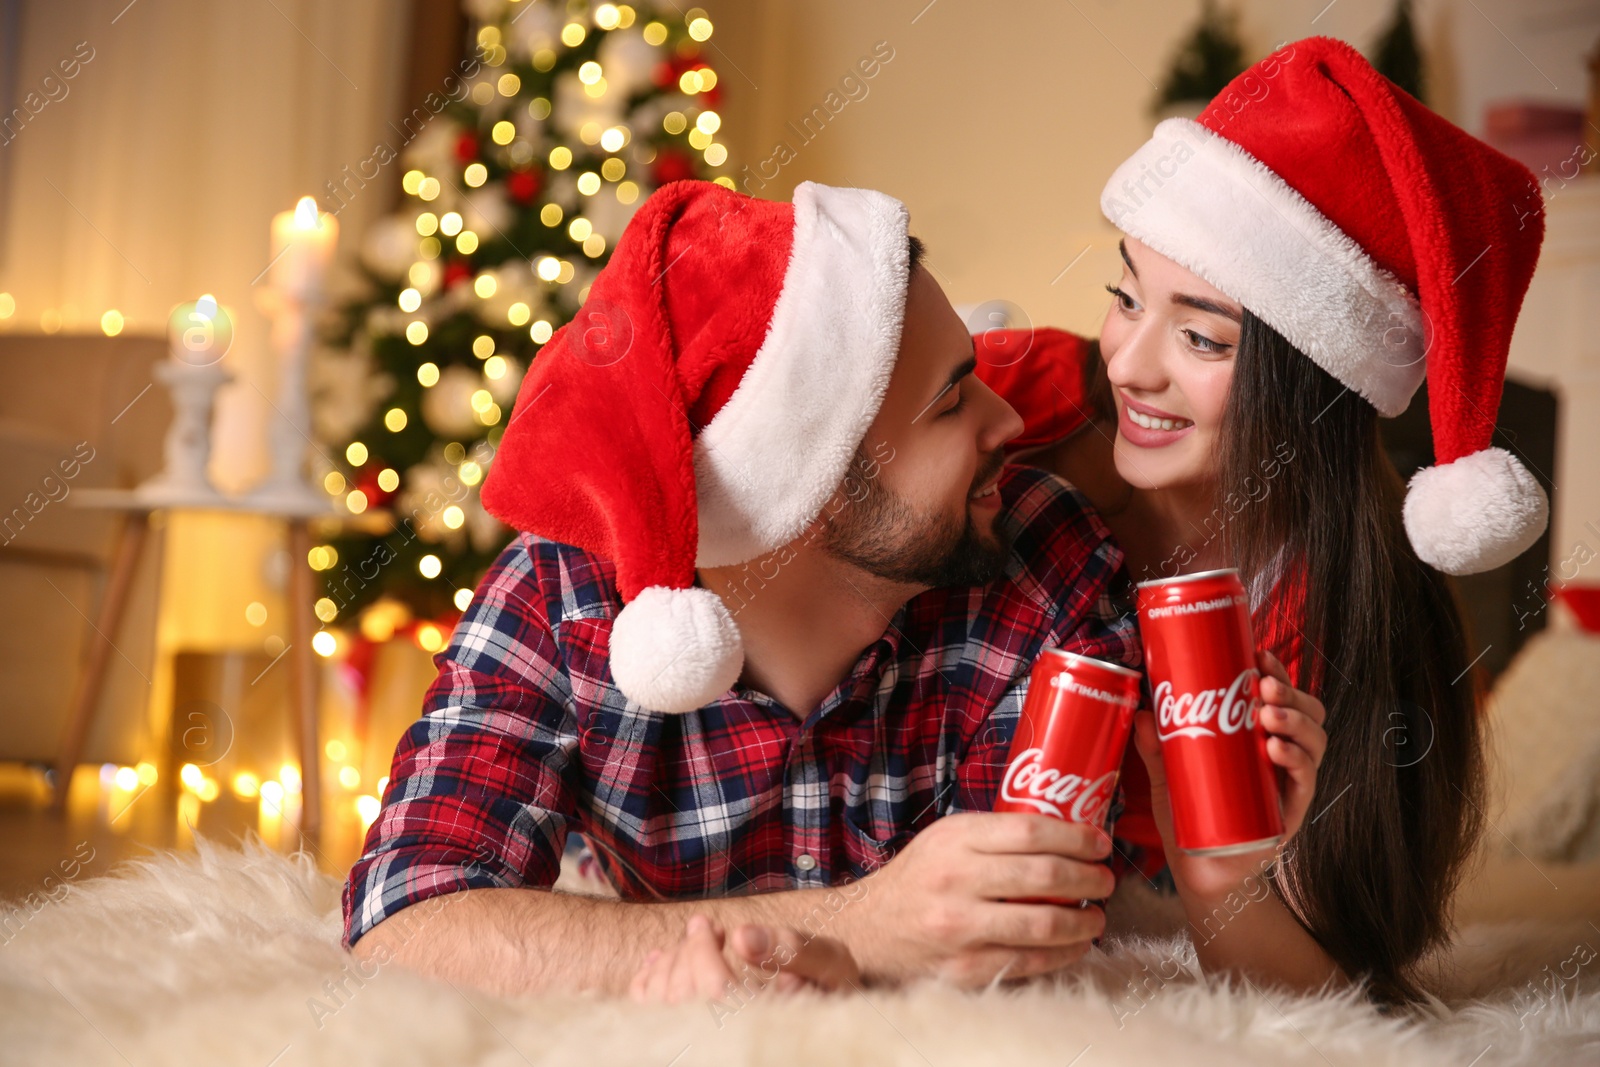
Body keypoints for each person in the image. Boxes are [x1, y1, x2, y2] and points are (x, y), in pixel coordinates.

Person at [342, 178, 1162, 1004]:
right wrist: (866, 925)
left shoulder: (1043, 562)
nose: (1008, 423)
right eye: (951, 402)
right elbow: (405, 920)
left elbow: (1014, 940)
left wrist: (834, 957)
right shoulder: (562, 596)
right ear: (807, 482)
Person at [975, 36, 1548, 1007]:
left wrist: (1220, 874)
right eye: (1125, 295)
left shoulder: (1350, 613)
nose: (1128, 363)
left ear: (1316, 383)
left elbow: (1341, 995)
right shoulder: (1011, 405)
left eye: (1200, 336)